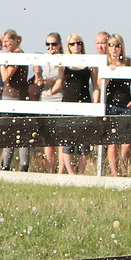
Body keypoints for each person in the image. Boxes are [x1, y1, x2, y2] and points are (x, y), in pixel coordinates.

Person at [56, 34, 96, 175]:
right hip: (68, 102)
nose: (76, 46)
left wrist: (95, 103)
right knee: (68, 140)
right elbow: (60, 82)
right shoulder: (65, 63)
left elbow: (96, 85)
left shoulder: (89, 62)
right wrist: (49, 92)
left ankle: (81, 173)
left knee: (84, 141)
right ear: (68, 46)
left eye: (78, 43)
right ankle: (71, 173)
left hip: (84, 102)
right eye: (72, 44)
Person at [103, 33, 131, 177]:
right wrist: (109, 73)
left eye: (117, 45)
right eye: (111, 45)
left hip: (126, 105)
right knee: (113, 142)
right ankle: (115, 173)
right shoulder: (105, 63)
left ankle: (124, 169)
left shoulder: (129, 62)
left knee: (127, 143)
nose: (114, 49)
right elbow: (101, 86)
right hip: (111, 105)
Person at [0, 30, 30, 171]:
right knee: (13, 132)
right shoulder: (13, 55)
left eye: (7, 41)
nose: (5, 44)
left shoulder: (17, 55)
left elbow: (5, 76)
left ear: (16, 40)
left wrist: (1, 62)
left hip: (15, 96)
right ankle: (11, 163)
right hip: (13, 95)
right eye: (3, 42)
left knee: (15, 132)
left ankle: (14, 164)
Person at [38, 32, 64, 172]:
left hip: (59, 98)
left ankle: (60, 170)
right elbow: (39, 79)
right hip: (45, 98)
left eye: (53, 44)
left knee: (59, 137)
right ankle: (49, 169)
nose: (51, 47)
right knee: (48, 137)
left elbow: (62, 79)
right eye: (48, 44)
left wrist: (50, 84)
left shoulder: (62, 60)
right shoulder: (43, 61)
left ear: (59, 45)